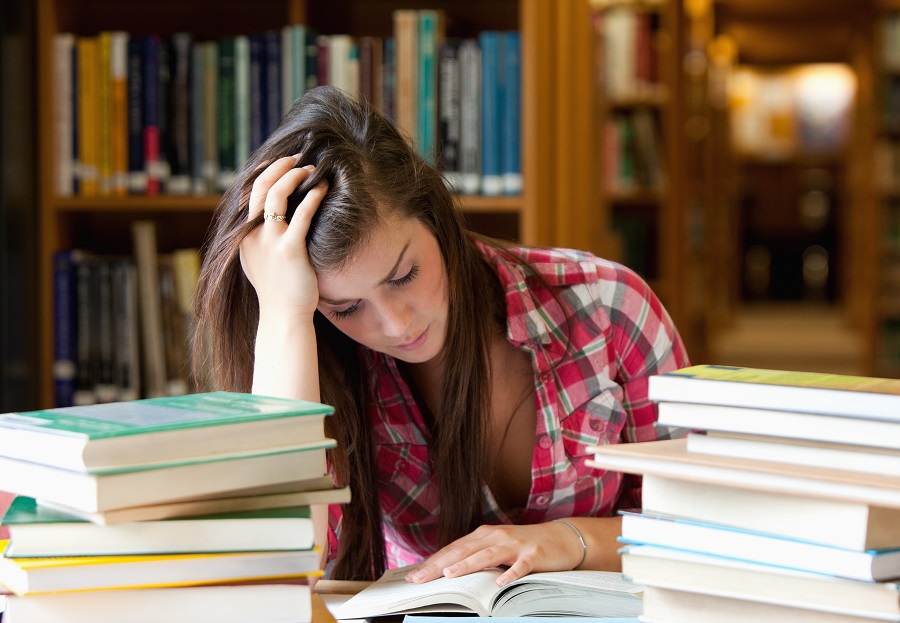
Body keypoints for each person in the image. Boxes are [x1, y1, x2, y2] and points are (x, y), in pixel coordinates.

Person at [192, 85, 690, 585]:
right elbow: (284, 567)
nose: (396, 324)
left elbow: (705, 530)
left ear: (436, 216)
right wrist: (282, 313)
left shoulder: (609, 307)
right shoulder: (318, 357)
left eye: (404, 275)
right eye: (346, 308)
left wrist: (569, 540)